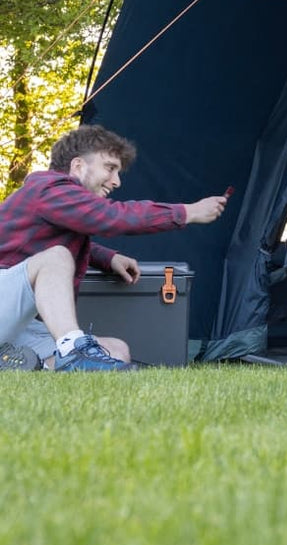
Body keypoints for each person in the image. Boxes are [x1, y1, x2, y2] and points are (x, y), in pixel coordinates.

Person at [0, 124, 229, 371]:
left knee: (116, 350)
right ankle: (73, 350)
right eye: (110, 168)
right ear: (78, 166)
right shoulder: (49, 188)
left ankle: (30, 366)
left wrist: (107, 258)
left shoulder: (57, 202)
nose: (117, 181)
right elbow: (112, 217)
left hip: (16, 323)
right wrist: (188, 212)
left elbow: (45, 238)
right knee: (56, 257)